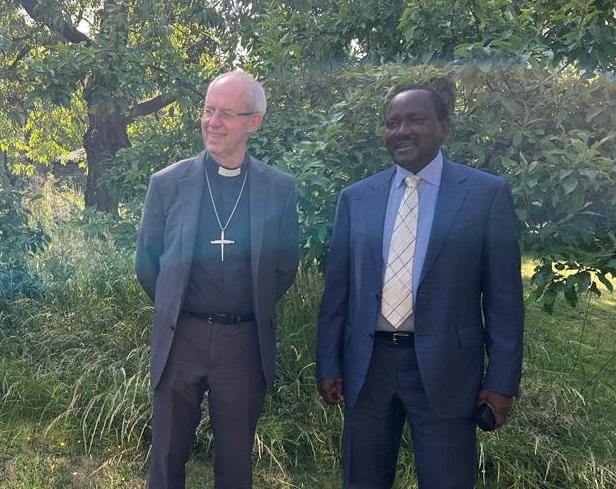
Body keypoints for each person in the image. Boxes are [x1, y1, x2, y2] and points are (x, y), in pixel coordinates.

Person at [315, 84, 524, 489]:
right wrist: (329, 362)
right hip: (368, 366)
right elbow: (337, 292)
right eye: (392, 123)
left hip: (447, 368)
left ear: (444, 126)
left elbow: (504, 301)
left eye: (416, 119)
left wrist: (500, 382)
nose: (402, 131)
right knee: (362, 480)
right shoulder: (356, 198)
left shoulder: (485, 195)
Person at [136, 70, 299, 489]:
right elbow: (147, 263)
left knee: (234, 461)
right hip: (181, 336)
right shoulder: (168, 183)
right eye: (208, 110)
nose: (212, 122)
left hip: (243, 341)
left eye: (226, 113)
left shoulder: (278, 188)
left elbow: (284, 266)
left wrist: (244, 307)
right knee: (167, 456)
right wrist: (178, 306)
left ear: (254, 122)